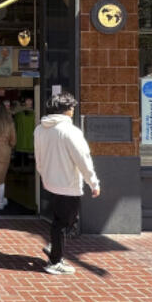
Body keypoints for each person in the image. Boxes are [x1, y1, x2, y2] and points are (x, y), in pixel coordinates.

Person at [34, 93, 100, 275]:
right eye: (72, 108)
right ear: (67, 110)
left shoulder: (40, 129)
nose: (73, 111)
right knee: (63, 223)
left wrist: (43, 174)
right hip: (68, 184)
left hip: (51, 182)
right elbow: (83, 159)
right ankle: (55, 261)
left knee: (65, 220)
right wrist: (93, 182)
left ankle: (54, 248)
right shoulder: (70, 132)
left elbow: (38, 157)